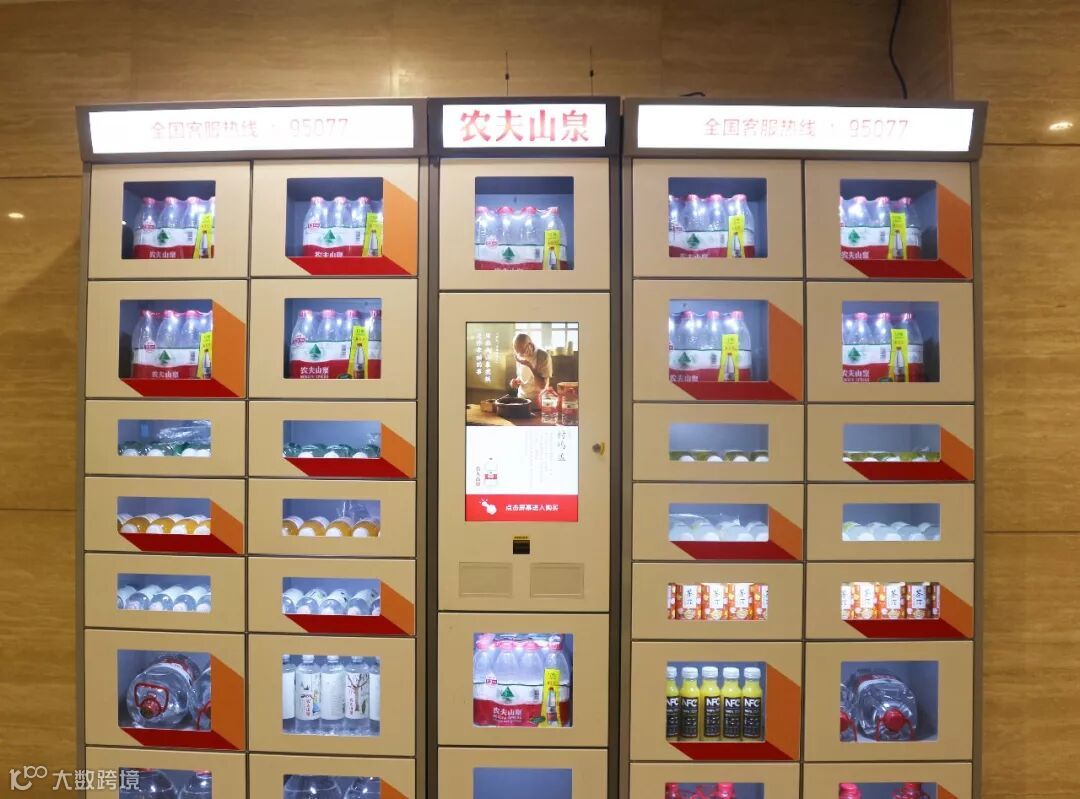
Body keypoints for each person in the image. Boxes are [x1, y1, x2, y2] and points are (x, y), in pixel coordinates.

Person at [509, 333, 552, 407]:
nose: (520, 355)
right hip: (521, 399)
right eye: (517, 352)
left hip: (538, 401)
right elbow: (521, 377)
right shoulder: (519, 355)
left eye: (522, 352)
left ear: (530, 345)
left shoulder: (543, 356)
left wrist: (530, 366)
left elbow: (542, 386)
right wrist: (515, 382)